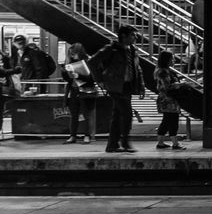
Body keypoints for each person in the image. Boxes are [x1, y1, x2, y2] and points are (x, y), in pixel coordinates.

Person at [88, 24, 144, 153]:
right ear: (123, 36)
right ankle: (125, 142)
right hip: (115, 86)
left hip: (127, 86)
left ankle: (112, 145)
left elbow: (138, 69)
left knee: (118, 115)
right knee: (127, 114)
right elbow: (92, 62)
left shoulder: (133, 50)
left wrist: (141, 86)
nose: (135, 37)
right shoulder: (111, 49)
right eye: (132, 35)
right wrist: (100, 80)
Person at [60, 43, 97, 144]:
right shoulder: (70, 63)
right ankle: (72, 135)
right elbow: (68, 79)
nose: (72, 56)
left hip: (85, 91)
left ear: (80, 53)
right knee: (73, 114)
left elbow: (91, 79)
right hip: (73, 91)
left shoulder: (87, 62)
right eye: (71, 54)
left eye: (74, 54)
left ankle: (87, 135)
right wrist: (64, 72)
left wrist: (78, 75)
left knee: (86, 114)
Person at [152, 50, 184, 150]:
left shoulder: (162, 70)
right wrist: (180, 85)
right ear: (167, 60)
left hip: (165, 99)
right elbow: (167, 86)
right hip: (168, 100)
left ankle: (160, 142)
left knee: (166, 121)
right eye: (172, 58)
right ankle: (175, 143)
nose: (174, 60)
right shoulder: (163, 72)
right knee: (173, 120)